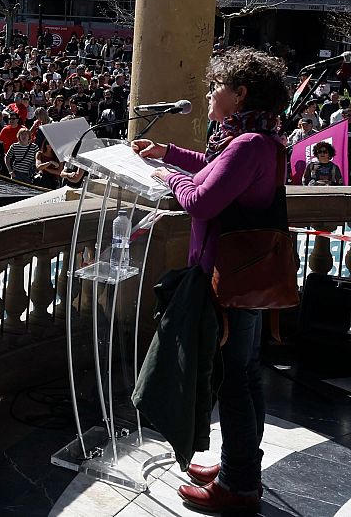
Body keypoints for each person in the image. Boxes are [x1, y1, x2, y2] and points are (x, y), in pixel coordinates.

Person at [131, 47, 292, 512]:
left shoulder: (247, 145)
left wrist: (167, 176)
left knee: (235, 384)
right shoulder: (256, 140)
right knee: (245, 377)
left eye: (214, 86)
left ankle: (239, 487)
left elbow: (201, 200)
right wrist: (171, 152)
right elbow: (215, 169)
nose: (207, 94)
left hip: (231, 284)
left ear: (239, 94)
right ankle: (239, 465)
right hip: (247, 278)